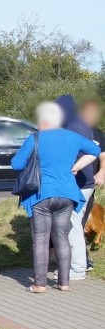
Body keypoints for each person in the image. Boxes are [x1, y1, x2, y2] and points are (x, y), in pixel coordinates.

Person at [11, 102, 101, 293]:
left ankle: (40, 284)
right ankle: (64, 282)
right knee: (62, 237)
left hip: (41, 195)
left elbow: (16, 164)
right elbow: (94, 151)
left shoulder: (35, 138)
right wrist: (75, 166)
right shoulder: (73, 137)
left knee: (41, 239)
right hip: (67, 194)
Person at [56, 95, 97, 280]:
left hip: (79, 183)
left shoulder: (71, 127)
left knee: (73, 224)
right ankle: (75, 265)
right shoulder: (82, 124)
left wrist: (73, 167)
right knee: (73, 223)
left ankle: (78, 268)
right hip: (85, 182)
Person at [79, 99, 105, 270]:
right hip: (71, 183)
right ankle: (74, 261)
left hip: (89, 184)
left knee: (80, 222)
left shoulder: (97, 133)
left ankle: (83, 260)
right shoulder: (74, 132)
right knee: (72, 223)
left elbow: (103, 155)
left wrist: (102, 172)